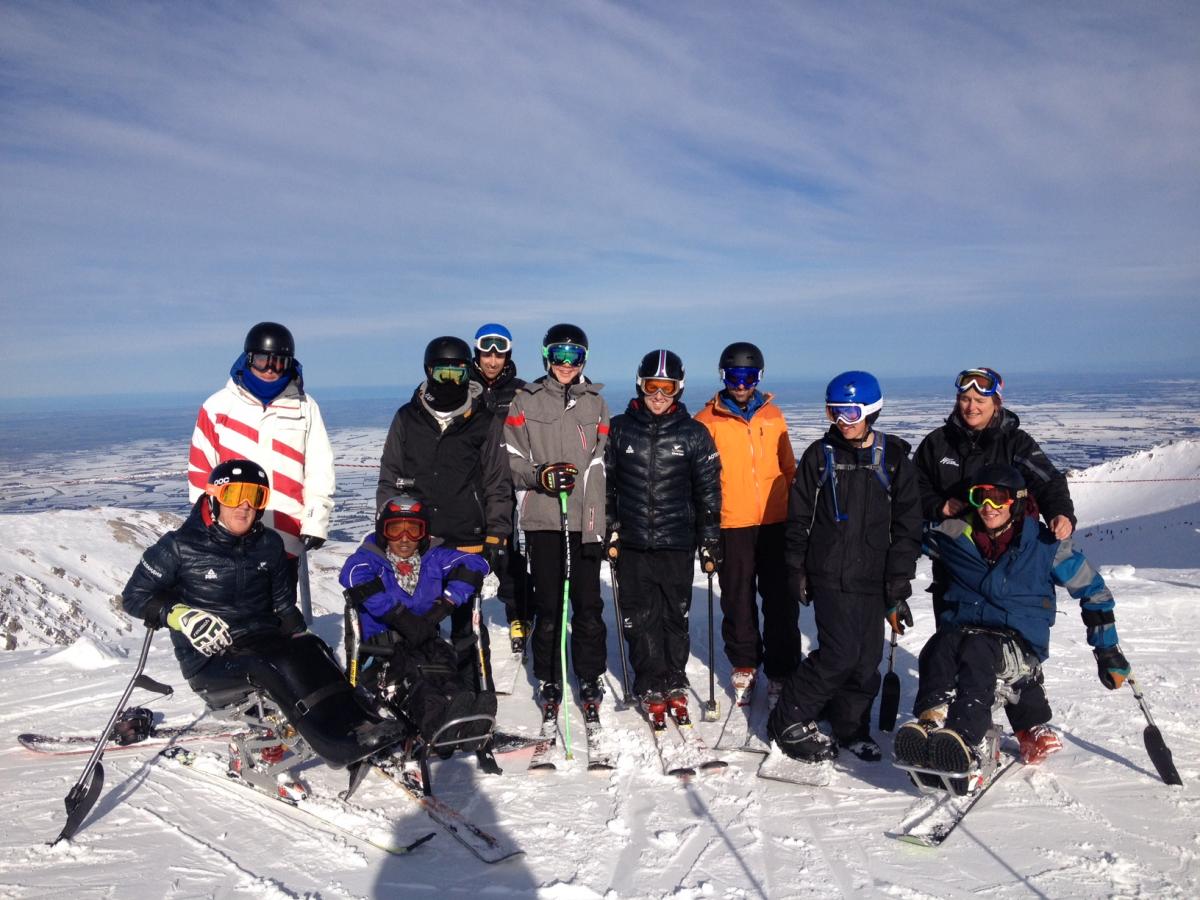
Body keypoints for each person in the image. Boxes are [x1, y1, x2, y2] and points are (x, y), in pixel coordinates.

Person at [122, 460, 405, 769]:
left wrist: (302, 638)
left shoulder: (268, 544)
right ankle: (333, 743)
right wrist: (180, 615)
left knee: (313, 650)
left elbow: (284, 606)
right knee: (271, 664)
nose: (244, 507)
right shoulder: (178, 547)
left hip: (262, 640)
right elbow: (134, 597)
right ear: (214, 496)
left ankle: (361, 721)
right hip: (209, 657)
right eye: (234, 495)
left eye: (255, 497)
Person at [895, 463, 1128, 774]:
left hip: (1018, 645)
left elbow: (1094, 591)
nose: (989, 508)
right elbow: (905, 539)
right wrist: (893, 590)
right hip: (963, 632)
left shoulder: (1045, 546)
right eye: (981, 498)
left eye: (999, 499)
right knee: (941, 643)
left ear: (1016, 501)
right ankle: (931, 720)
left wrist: (1107, 650)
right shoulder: (953, 535)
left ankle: (967, 739)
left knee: (978, 650)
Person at [913, 366, 1077, 758]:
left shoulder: (1015, 443)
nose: (970, 406)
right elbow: (912, 491)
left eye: (979, 401)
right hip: (958, 556)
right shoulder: (938, 444)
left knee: (1008, 632)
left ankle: (1026, 724)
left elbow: (1049, 481)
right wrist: (939, 505)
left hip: (1010, 558)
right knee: (954, 641)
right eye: (965, 399)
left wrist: (1061, 514)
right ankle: (961, 724)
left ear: (996, 403)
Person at [768, 372, 923, 762]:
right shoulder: (821, 457)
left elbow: (908, 526)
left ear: (871, 411)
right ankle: (787, 718)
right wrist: (796, 567)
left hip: (873, 576)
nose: (842, 421)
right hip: (828, 573)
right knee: (838, 655)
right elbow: (799, 517)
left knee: (866, 659)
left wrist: (899, 579)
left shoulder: (893, 458)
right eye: (834, 412)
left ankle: (850, 726)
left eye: (850, 412)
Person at [375, 336, 513, 691]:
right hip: (416, 540)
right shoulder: (407, 418)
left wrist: (497, 533)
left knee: (466, 622)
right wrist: (387, 529)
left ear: (468, 372)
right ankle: (423, 696)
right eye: (442, 372)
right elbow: (389, 476)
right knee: (418, 621)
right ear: (428, 371)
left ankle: (471, 695)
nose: (449, 381)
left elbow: (498, 482)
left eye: (457, 373)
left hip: (466, 537)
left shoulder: (483, 421)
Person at [604, 350, 722, 721]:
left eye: (666, 387)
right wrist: (610, 527)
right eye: (652, 386)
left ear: (678, 389)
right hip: (633, 541)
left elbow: (708, 493)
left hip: (677, 541)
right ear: (640, 385)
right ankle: (648, 681)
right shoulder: (620, 428)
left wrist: (710, 539)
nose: (658, 395)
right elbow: (606, 485)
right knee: (639, 617)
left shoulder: (694, 434)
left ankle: (673, 678)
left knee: (674, 615)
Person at [504, 323, 609, 719]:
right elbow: (510, 461)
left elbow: (602, 466)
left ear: (584, 359)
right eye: (559, 355)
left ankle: (589, 674)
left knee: (587, 604)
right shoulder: (525, 402)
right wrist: (540, 475)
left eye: (575, 356)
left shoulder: (596, 404)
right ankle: (549, 675)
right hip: (545, 519)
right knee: (548, 604)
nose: (567, 363)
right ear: (546, 357)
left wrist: (602, 524)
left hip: (586, 520)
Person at [339, 493, 496, 753]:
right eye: (395, 529)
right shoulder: (371, 559)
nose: (404, 538)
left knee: (444, 668)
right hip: (385, 652)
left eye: (414, 530)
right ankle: (437, 728)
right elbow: (353, 575)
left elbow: (476, 563)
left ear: (424, 533)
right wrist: (399, 616)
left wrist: (445, 604)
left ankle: (467, 723)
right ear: (383, 531)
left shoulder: (433, 559)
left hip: (425, 641)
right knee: (416, 677)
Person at [187, 321, 335, 595]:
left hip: (284, 531)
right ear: (248, 358)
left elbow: (319, 468)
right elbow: (200, 471)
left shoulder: (304, 407)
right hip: (229, 532)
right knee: (229, 607)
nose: (270, 369)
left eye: (279, 362)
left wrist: (316, 519)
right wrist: (205, 522)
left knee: (279, 614)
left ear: (289, 364)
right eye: (263, 360)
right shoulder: (218, 406)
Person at [694, 342, 798, 704]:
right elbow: (699, 478)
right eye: (734, 377)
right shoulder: (706, 421)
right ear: (723, 377)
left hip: (776, 520)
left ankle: (783, 670)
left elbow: (788, 467)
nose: (741, 385)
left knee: (780, 600)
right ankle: (745, 664)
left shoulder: (774, 415)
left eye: (749, 377)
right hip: (731, 523)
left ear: (759, 378)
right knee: (738, 599)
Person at [469, 323, 530, 655]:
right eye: (486, 353)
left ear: (508, 355)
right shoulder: (462, 387)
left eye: (499, 354)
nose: (492, 361)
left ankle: (518, 612)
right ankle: (464, 612)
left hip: (508, 481)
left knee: (508, 550)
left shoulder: (522, 392)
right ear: (476, 352)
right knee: (464, 549)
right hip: (468, 482)